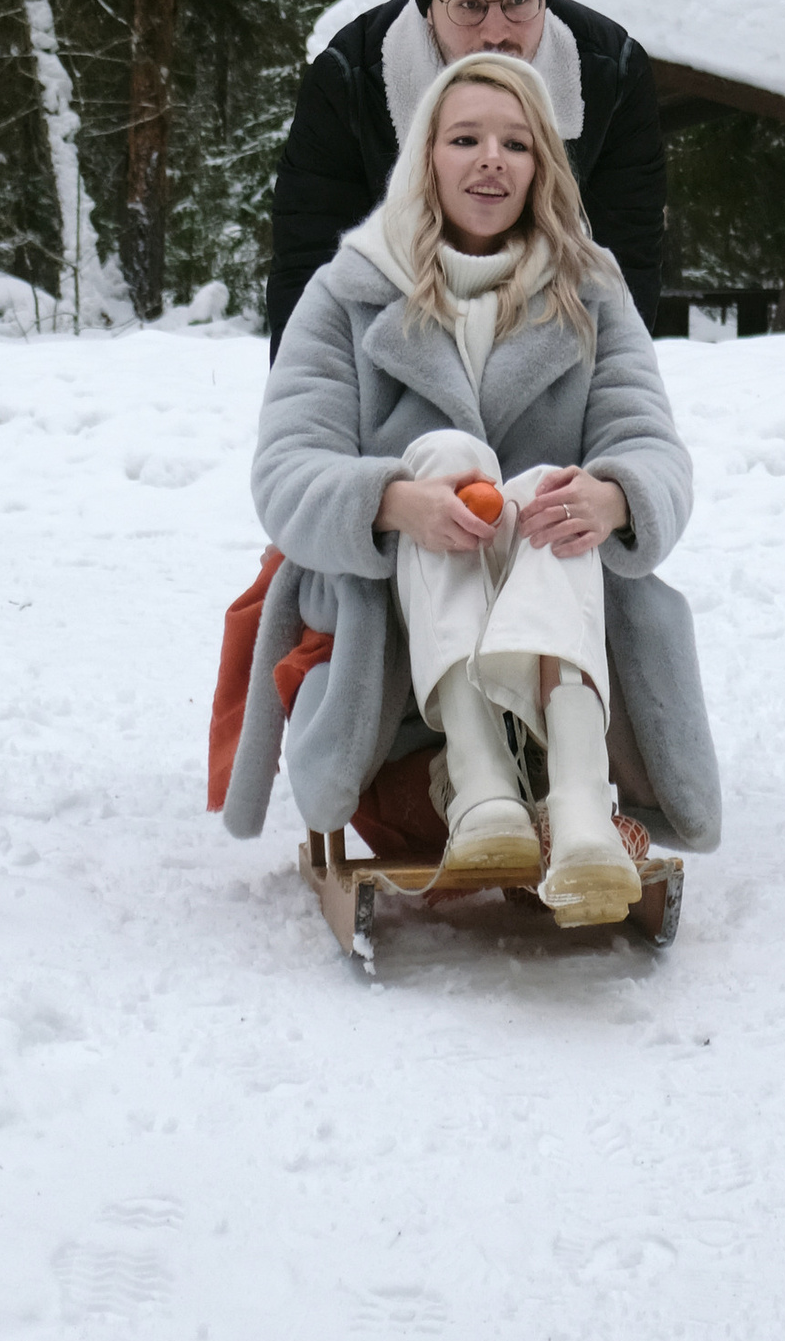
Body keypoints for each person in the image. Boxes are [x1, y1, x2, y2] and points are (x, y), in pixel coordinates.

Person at [227, 49, 719, 923]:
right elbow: (285, 470)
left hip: (558, 619)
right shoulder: (347, 294)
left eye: (516, 144)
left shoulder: (592, 291)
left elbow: (653, 450)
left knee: (547, 489)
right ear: (426, 156)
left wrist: (614, 497)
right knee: (444, 455)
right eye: (465, 139)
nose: (491, 159)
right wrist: (390, 504)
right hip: (396, 636)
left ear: (542, 168)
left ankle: (576, 797)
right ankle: (480, 781)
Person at [267, 0, 665, 348]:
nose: (496, 32)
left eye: (519, 0)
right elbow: (308, 268)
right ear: (427, 7)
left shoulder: (610, 73)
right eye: (469, 4)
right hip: (393, 342)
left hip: (552, 342)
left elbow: (627, 266)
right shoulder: (352, 78)